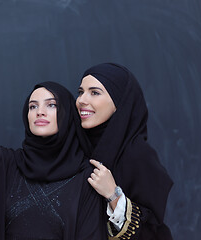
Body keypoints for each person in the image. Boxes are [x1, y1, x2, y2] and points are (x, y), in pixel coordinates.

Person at [0, 48, 108, 240]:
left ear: (67, 116)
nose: (40, 111)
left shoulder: (87, 177)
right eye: (33, 106)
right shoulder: (7, 165)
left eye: (51, 105)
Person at [76, 63, 173, 239]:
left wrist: (113, 194)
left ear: (119, 102)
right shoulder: (74, 149)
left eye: (95, 92)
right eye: (81, 92)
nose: (82, 100)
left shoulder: (138, 156)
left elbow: (152, 230)